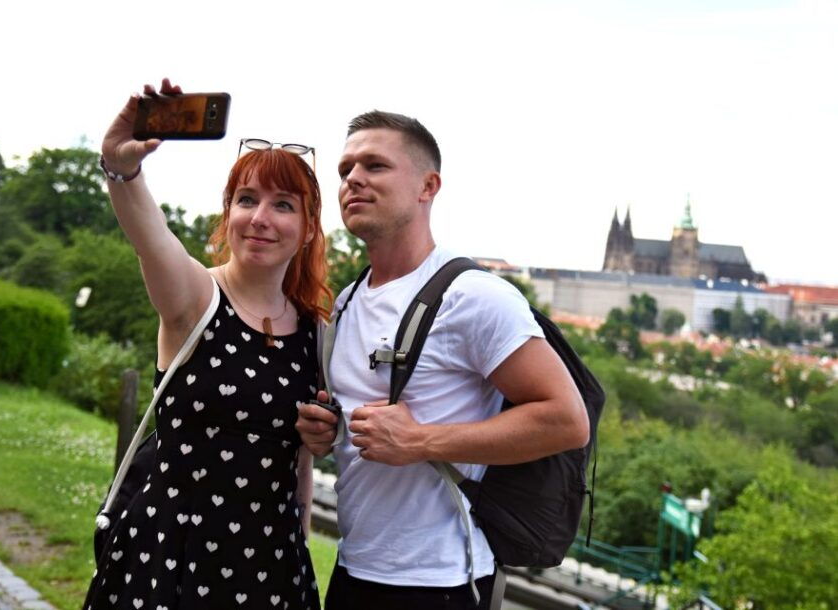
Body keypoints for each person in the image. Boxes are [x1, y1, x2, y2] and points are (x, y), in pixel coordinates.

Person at [296, 111, 590, 610]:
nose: (353, 180)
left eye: (375, 166)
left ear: (427, 186)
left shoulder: (471, 296)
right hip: (354, 569)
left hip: (442, 583)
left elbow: (567, 420)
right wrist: (326, 432)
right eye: (345, 169)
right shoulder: (346, 302)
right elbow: (366, 434)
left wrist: (420, 441)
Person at [83, 79, 329, 610]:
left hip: (269, 562)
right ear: (228, 212)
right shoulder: (196, 297)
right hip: (170, 553)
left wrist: (301, 541)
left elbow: (299, 464)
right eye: (247, 200)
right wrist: (121, 167)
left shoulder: (316, 331)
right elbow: (150, 236)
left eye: (283, 205)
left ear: (309, 227)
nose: (260, 218)